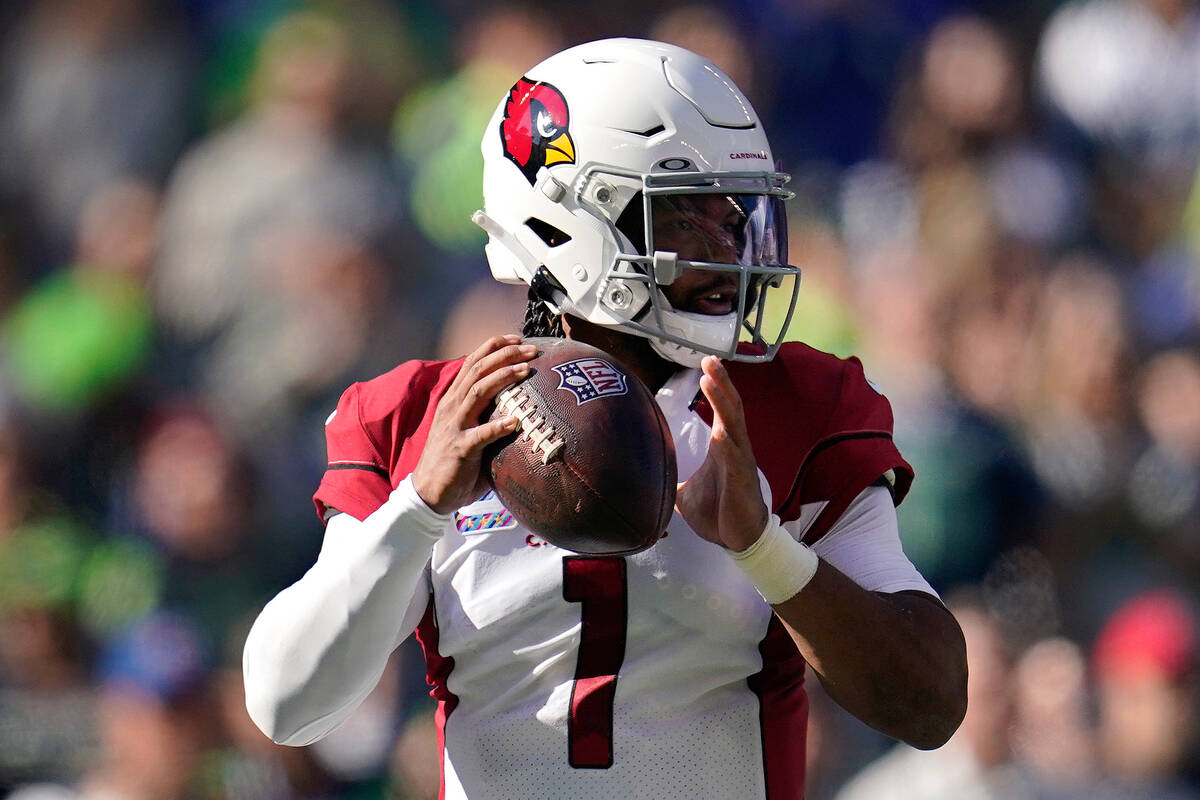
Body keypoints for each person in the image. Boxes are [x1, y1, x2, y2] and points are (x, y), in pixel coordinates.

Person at [243, 38, 967, 799]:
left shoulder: (796, 404)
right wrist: (417, 508)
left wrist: (767, 552)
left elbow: (929, 703)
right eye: (687, 214)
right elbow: (289, 705)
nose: (731, 245)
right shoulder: (422, 417)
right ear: (570, 224)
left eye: (736, 212)